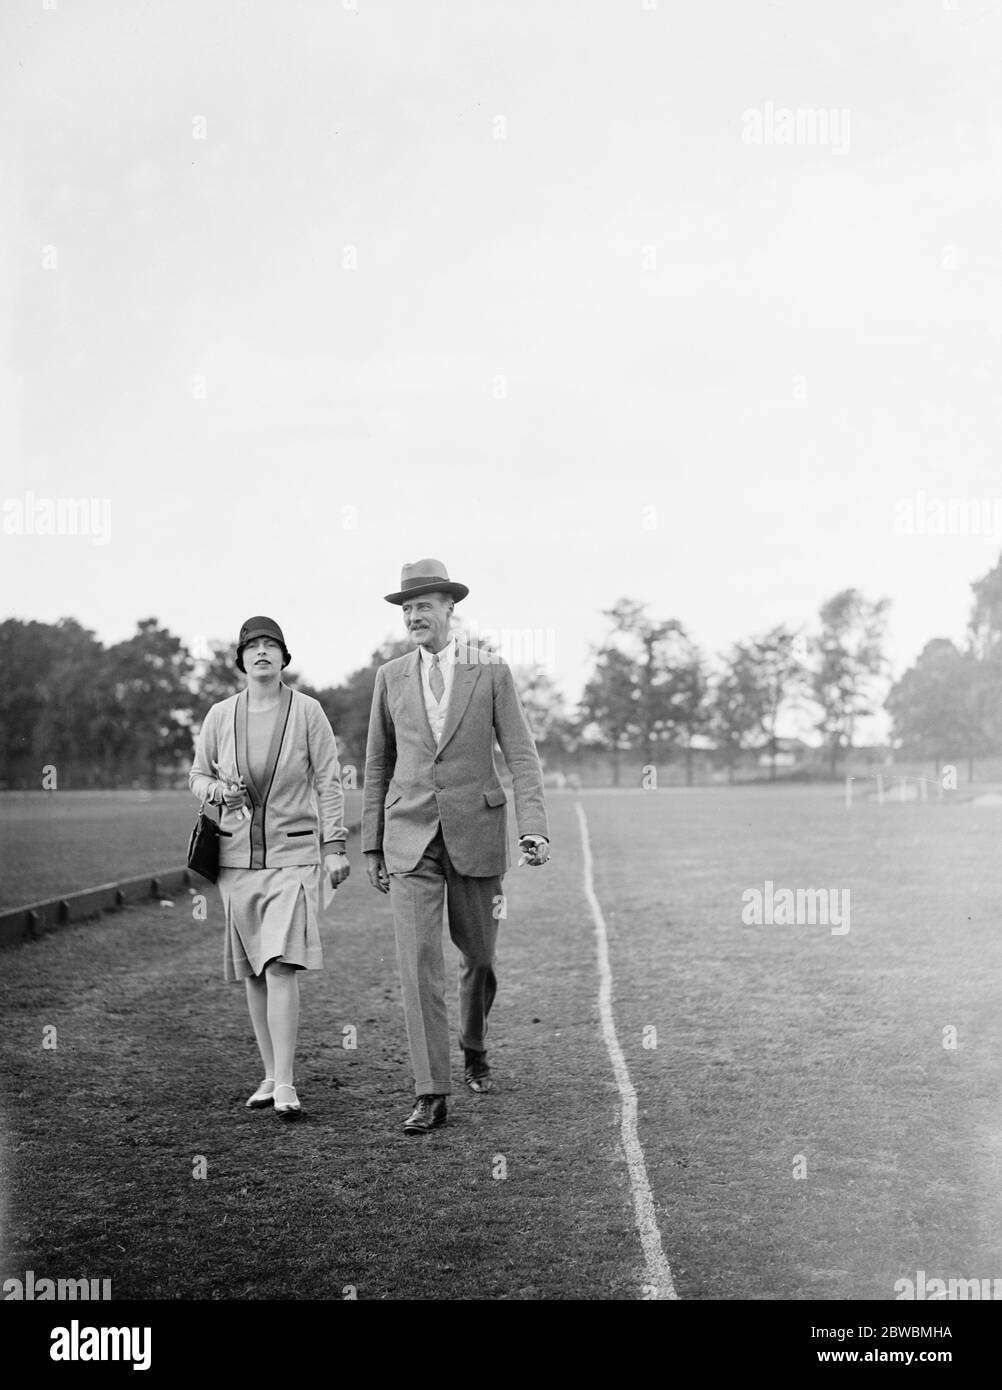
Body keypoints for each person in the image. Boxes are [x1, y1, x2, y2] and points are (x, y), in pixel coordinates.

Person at [362, 560, 549, 1134]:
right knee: (418, 967)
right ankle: (431, 1091)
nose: (415, 615)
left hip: (478, 834)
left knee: (481, 959)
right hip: (410, 838)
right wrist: (371, 844)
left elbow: (520, 753)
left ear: (450, 608)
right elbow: (377, 763)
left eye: (425, 605)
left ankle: (474, 1045)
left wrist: (532, 826)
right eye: (407, 608)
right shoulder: (390, 676)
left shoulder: (489, 671)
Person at [189, 616, 349, 1119]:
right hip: (235, 862)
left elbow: (328, 781)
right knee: (256, 970)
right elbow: (197, 775)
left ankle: (286, 1083)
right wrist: (218, 790)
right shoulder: (219, 715)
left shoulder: (308, 711)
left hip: (294, 857)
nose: (261, 653)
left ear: (284, 657)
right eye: (252, 647)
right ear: (240, 659)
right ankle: (268, 1075)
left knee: (281, 963)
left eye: (270, 646)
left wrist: (335, 844)